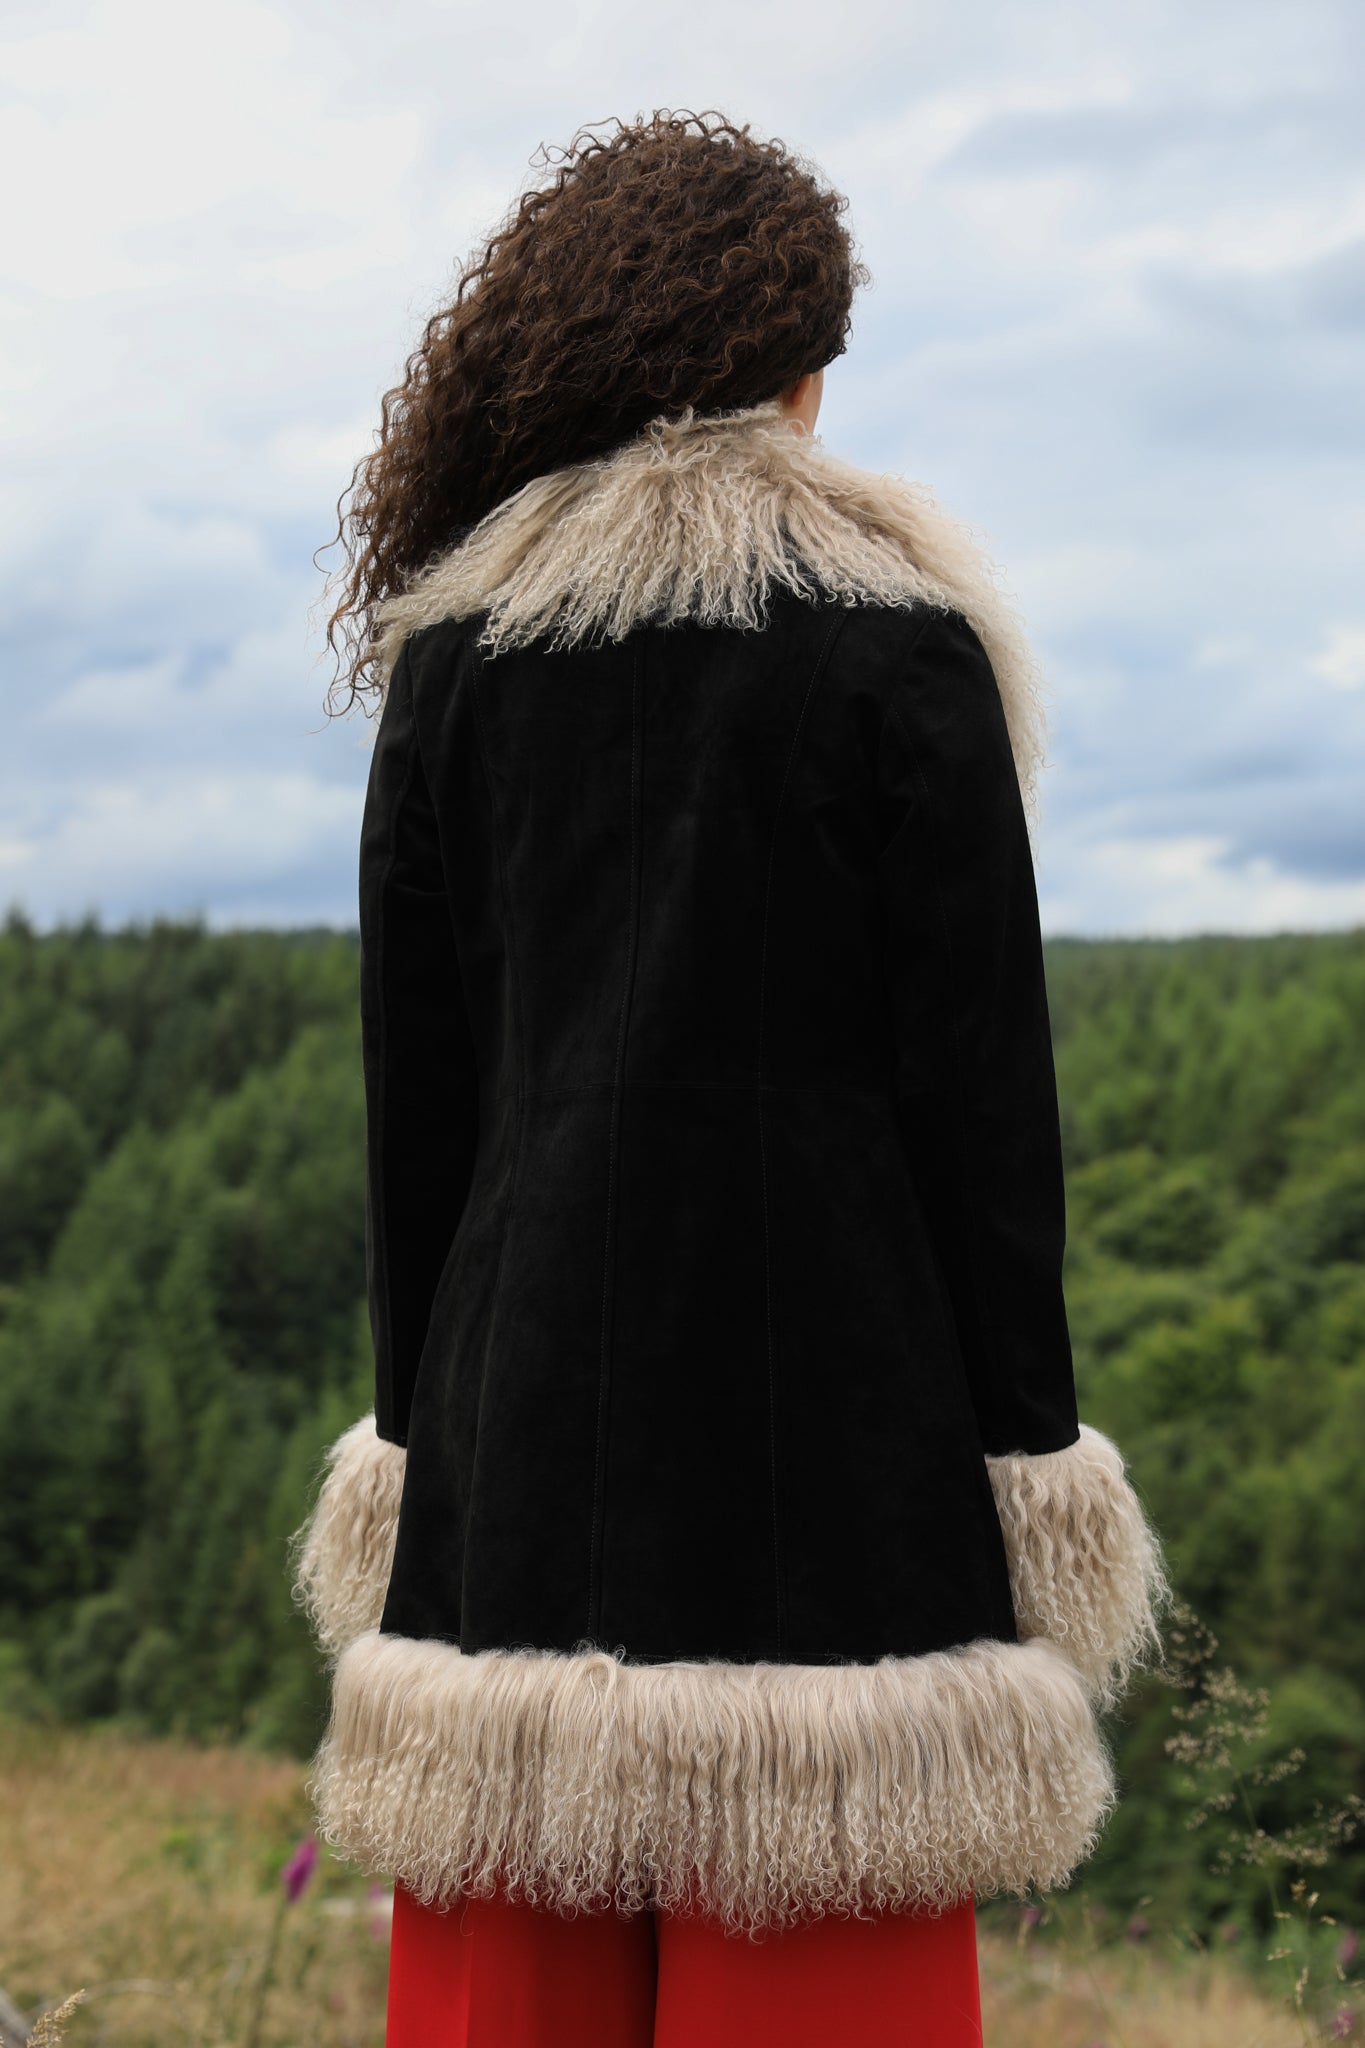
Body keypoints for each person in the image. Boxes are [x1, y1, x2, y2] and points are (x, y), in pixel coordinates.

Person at [293, 107, 1171, 2047]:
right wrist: (1027, 1466)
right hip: (835, 1490)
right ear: (792, 369)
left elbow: (415, 1122)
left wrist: (413, 1438)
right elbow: (980, 1120)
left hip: (509, 1463)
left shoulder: (455, 666)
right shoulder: (900, 647)